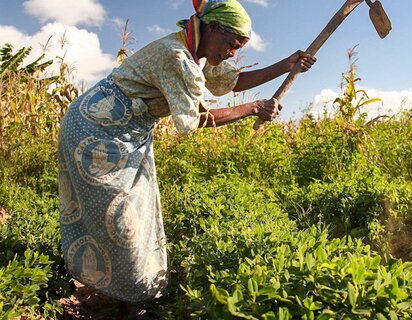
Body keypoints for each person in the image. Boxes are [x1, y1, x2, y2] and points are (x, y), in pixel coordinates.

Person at [57, 0, 315, 317]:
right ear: (214, 27)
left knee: (138, 212)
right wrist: (253, 108)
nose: (232, 53)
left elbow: (230, 83)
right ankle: (127, 303)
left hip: (127, 132)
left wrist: (287, 65)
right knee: (121, 217)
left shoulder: (195, 51)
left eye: (237, 48)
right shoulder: (177, 56)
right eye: (231, 45)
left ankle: (129, 296)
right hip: (97, 129)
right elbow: (196, 121)